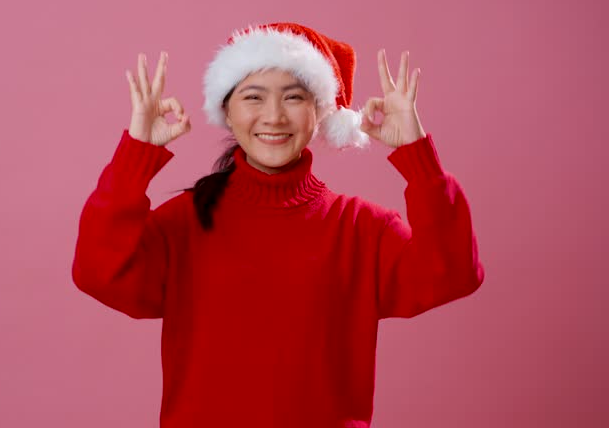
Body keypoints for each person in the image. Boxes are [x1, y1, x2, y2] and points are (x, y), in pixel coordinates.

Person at [72, 22, 485, 428]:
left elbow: (452, 274)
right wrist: (135, 155)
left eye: (293, 97)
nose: (273, 116)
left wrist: (417, 157)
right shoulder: (185, 221)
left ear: (319, 113)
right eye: (253, 96)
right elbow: (99, 273)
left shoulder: (361, 228)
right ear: (227, 112)